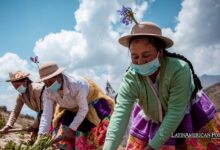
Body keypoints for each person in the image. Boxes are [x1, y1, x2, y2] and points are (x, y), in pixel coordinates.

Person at [103, 22, 220, 150]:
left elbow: (175, 112)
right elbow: (120, 115)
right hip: (153, 118)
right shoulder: (131, 78)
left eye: (146, 55)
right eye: (135, 57)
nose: (140, 62)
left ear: (160, 52)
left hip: (188, 116)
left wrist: (152, 148)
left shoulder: (179, 70)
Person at [35, 61, 115, 150]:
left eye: (50, 82)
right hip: (70, 109)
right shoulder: (47, 91)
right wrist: (41, 137)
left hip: (89, 104)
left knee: (86, 134)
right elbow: (46, 115)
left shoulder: (76, 84)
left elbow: (83, 109)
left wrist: (72, 129)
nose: (49, 86)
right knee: (63, 134)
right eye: (46, 83)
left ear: (58, 76)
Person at [0, 71, 44, 142]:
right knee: (32, 141)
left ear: (25, 81)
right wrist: (8, 125)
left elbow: (44, 111)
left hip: (55, 115)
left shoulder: (37, 89)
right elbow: (15, 111)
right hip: (42, 118)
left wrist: (34, 126)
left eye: (17, 86)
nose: (16, 89)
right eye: (14, 87)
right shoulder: (21, 95)